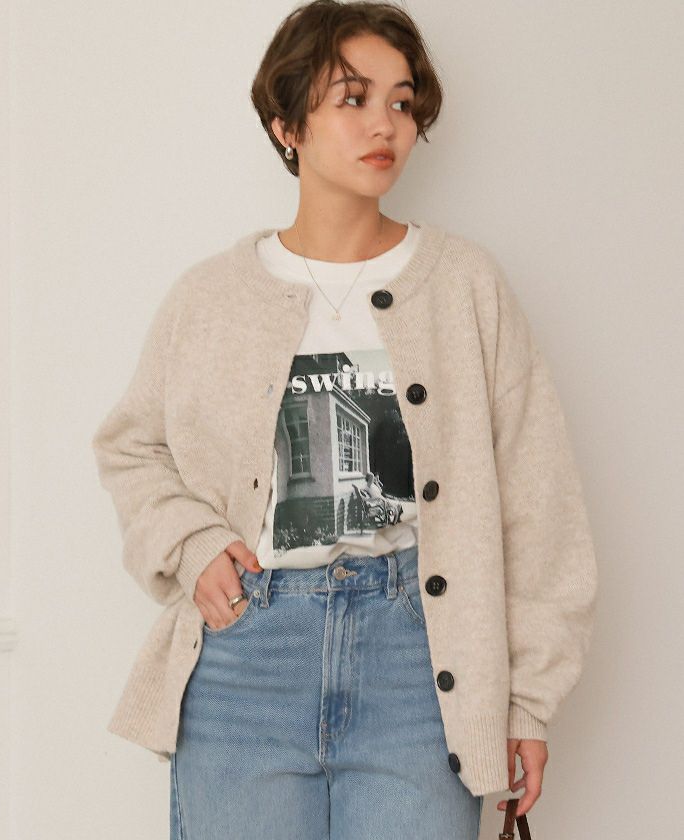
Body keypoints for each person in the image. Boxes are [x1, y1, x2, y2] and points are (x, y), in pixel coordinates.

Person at [91, 2, 598, 838]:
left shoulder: (464, 285)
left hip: (421, 666)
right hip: (246, 660)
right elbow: (131, 446)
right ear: (286, 124)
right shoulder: (211, 297)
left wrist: (527, 702)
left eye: (402, 101)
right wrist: (189, 541)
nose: (385, 125)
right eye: (352, 99)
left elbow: (539, 500)